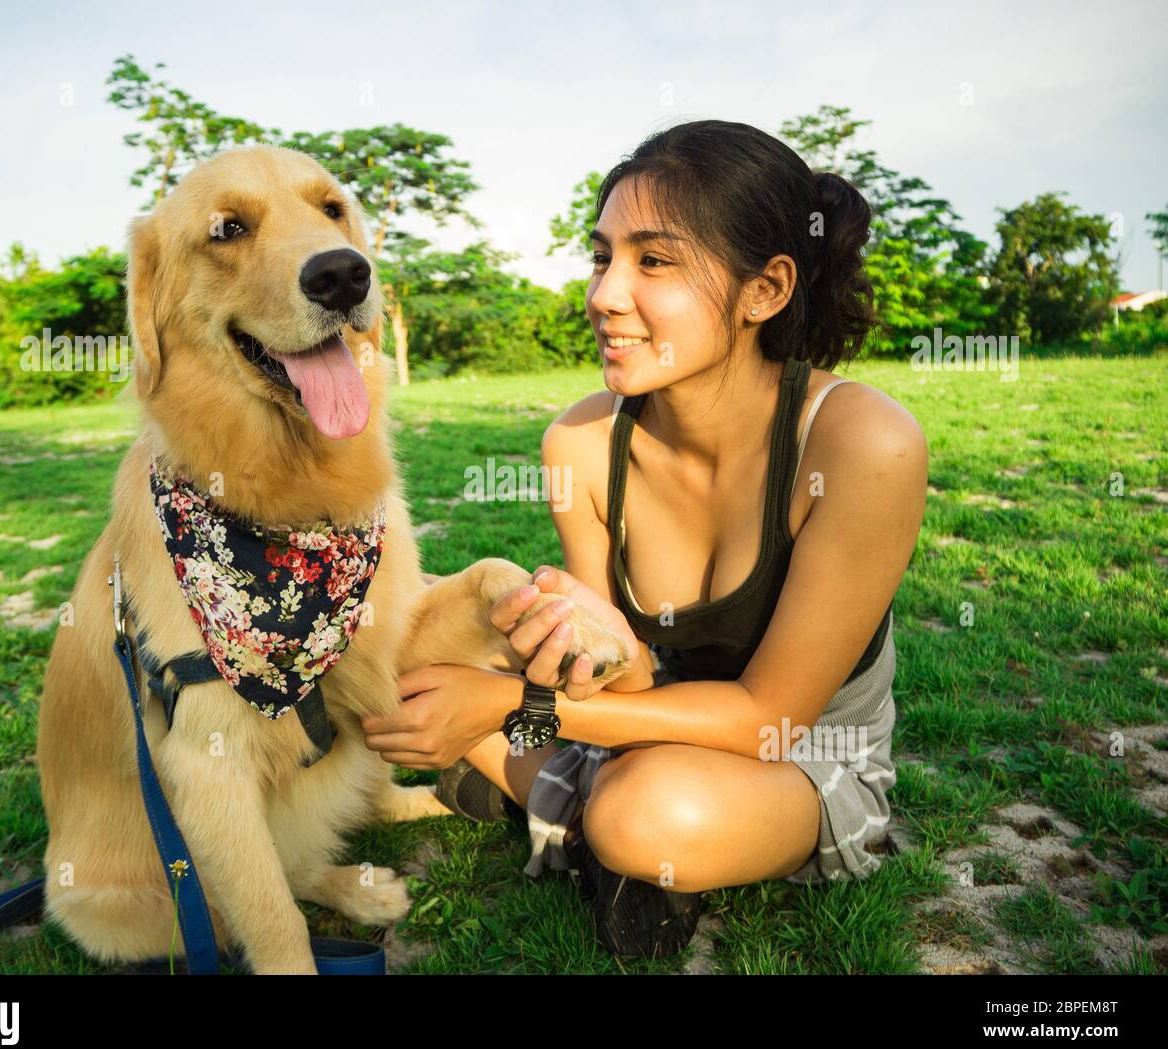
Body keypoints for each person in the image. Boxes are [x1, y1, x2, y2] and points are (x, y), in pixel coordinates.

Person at [361, 119, 929, 960]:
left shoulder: (861, 442)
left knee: (641, 809)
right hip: (633, 728)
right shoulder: (583, 445)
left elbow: (767, 717)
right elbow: (619, 682)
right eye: (602, 256)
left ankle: (567, 813)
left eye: (652, 261)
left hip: (803, 756)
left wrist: (515, 706)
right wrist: (584, 650)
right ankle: (578, 815)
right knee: (401, 659)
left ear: (764, 290)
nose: (603, 294)